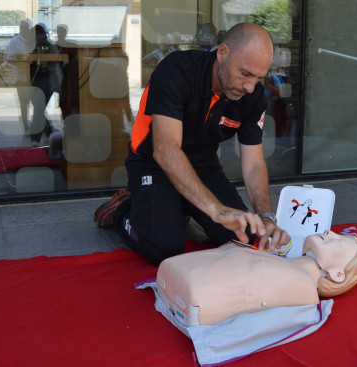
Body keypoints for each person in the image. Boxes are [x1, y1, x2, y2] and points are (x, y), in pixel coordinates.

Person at [94, 22, 290, 266]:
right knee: (163, 247)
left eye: (259, 78)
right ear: (222, 53)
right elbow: (165, 151)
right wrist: (215, 209)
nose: (250, 87)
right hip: (153, 163)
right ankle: (123, 209)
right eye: (245, 74)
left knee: (245, 237)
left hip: (203, 165)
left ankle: (179, 205)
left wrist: (266, 218)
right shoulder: (176, 70)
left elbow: (253, 164)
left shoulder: (253, 95)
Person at [154, 230, 357, 326]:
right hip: (185, 276)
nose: (330, 231)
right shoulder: (287, 266)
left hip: (193, 291)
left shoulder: (303, 287)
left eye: (338, 241)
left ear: (338, 274)